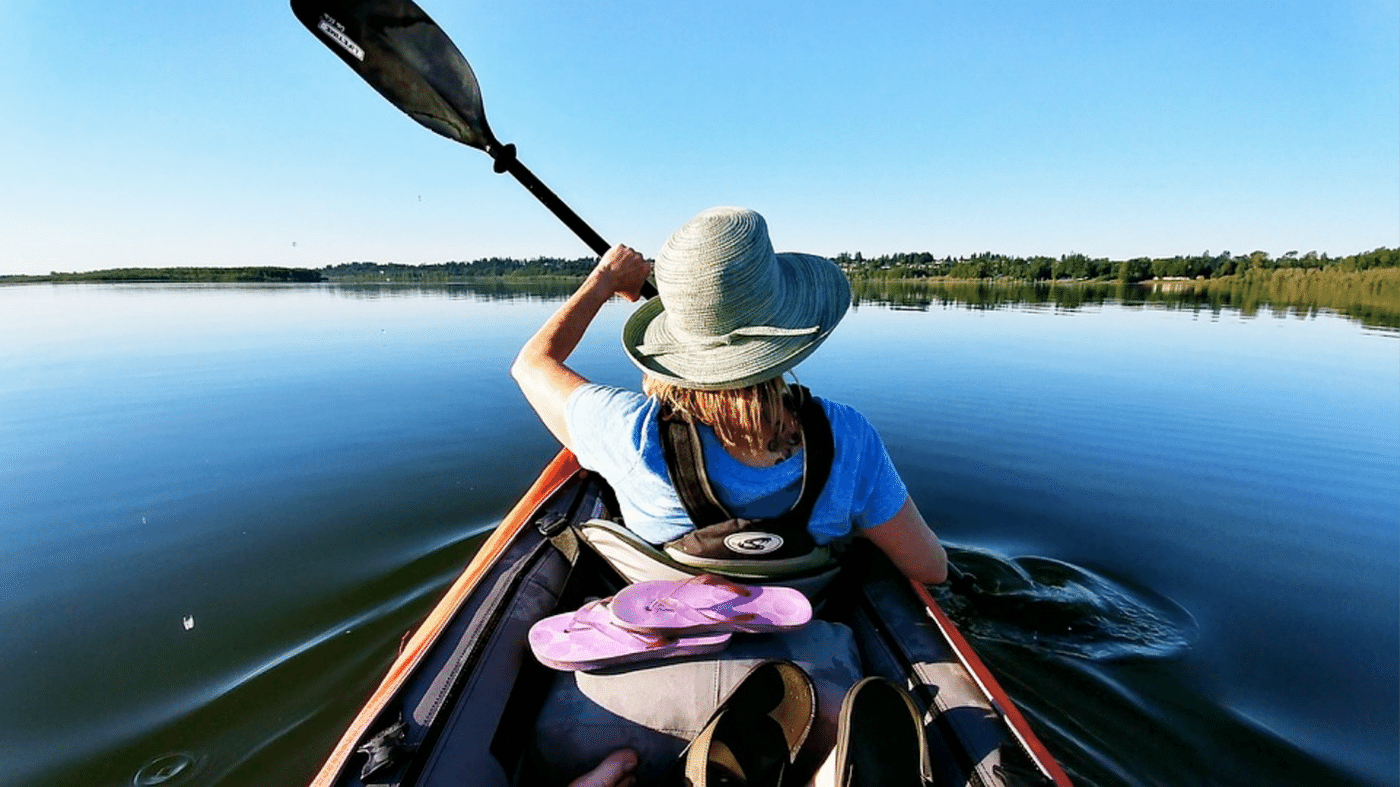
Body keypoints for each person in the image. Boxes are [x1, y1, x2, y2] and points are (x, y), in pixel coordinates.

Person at [511, 206, 947, 586]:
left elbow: (531, 364)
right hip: (809, 632)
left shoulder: (627, 430)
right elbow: (931, 569)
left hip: (676, 631)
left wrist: (604, 279)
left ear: (676, 342)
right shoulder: (849, 436)